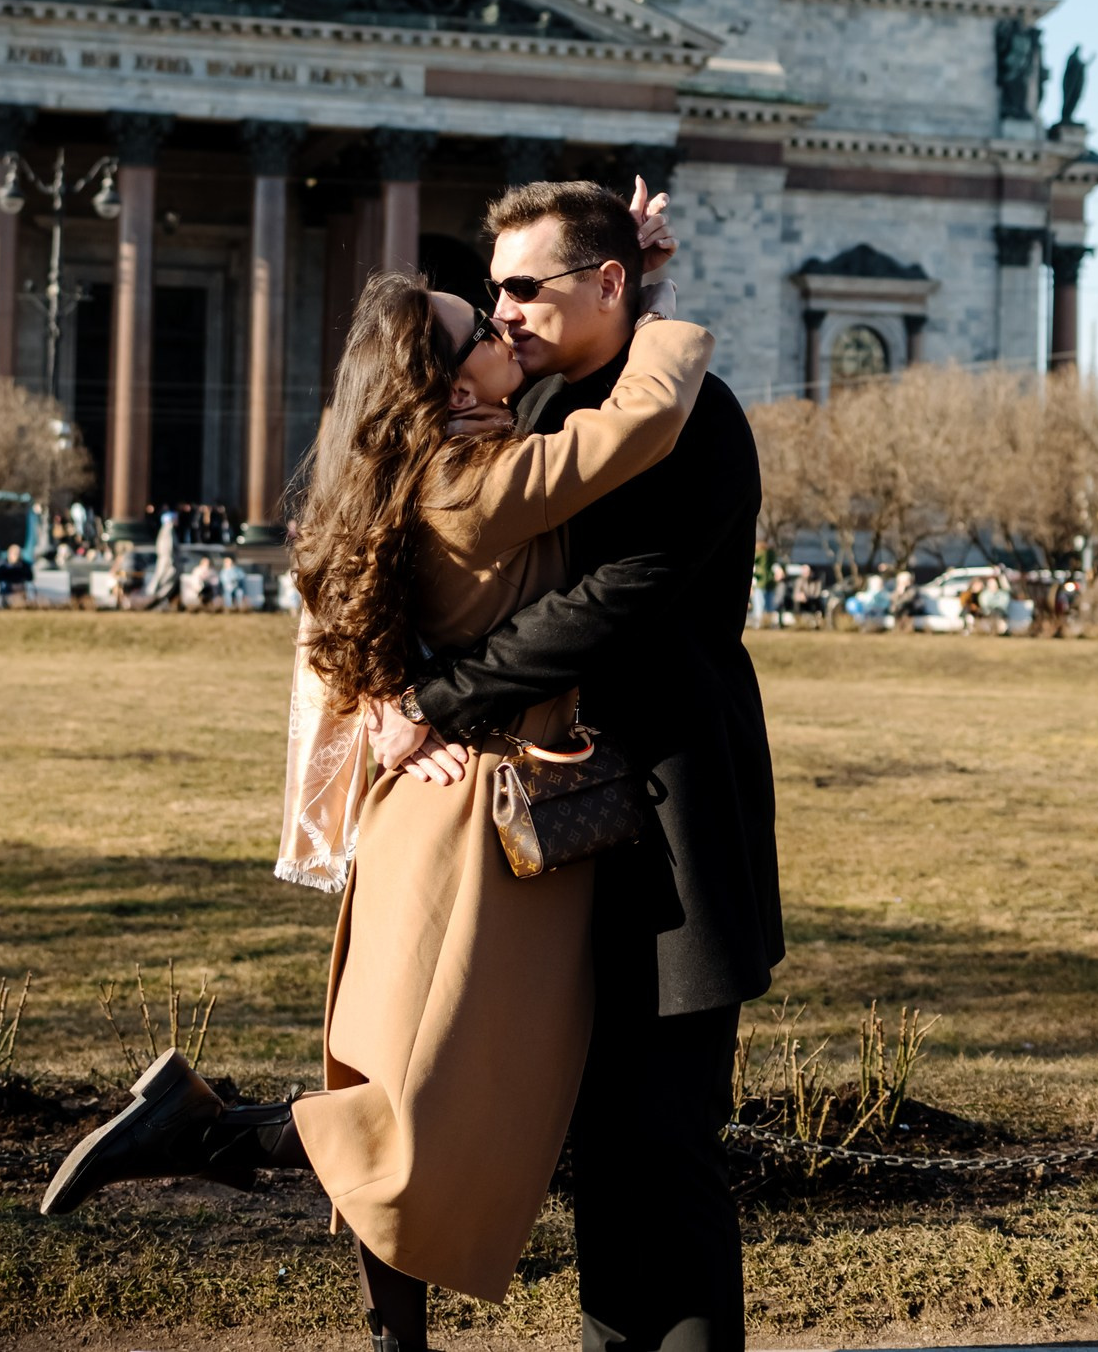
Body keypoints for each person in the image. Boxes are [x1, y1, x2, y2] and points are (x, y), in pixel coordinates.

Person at [40, 184, 718, 1350]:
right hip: (479, 830)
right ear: (452, 385)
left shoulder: (435, 465)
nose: (507, 328)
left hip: (421, 811)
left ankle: (379, 1328)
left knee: (389, 1090)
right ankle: (202, 1133)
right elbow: (640, 420)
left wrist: (625, 270)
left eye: (510, 301)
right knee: (419, 1115)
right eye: (482, 323)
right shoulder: (477, 483)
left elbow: (562, 388)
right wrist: (662, 314)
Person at [374, 179, 784, 1352]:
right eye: (492, 287)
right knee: (602, 1152)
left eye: (520, 287)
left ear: (608, 286)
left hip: (673, 827)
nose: (499, 312)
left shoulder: (692, 418)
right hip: (568, 831)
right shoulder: (549, 402)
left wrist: (440, 703)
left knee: (664, 1147)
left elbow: (622, 599)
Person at [0, 543, 35, 608]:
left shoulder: (24, 565)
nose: (17, 555)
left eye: (18, 553)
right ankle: (1, 604)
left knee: (29, 585)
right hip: (8, 586)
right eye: (15, 553)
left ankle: (31, 604)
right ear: (9, 554)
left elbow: (30, 578)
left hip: (21, 585)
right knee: (3, 584)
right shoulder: (3, 566)